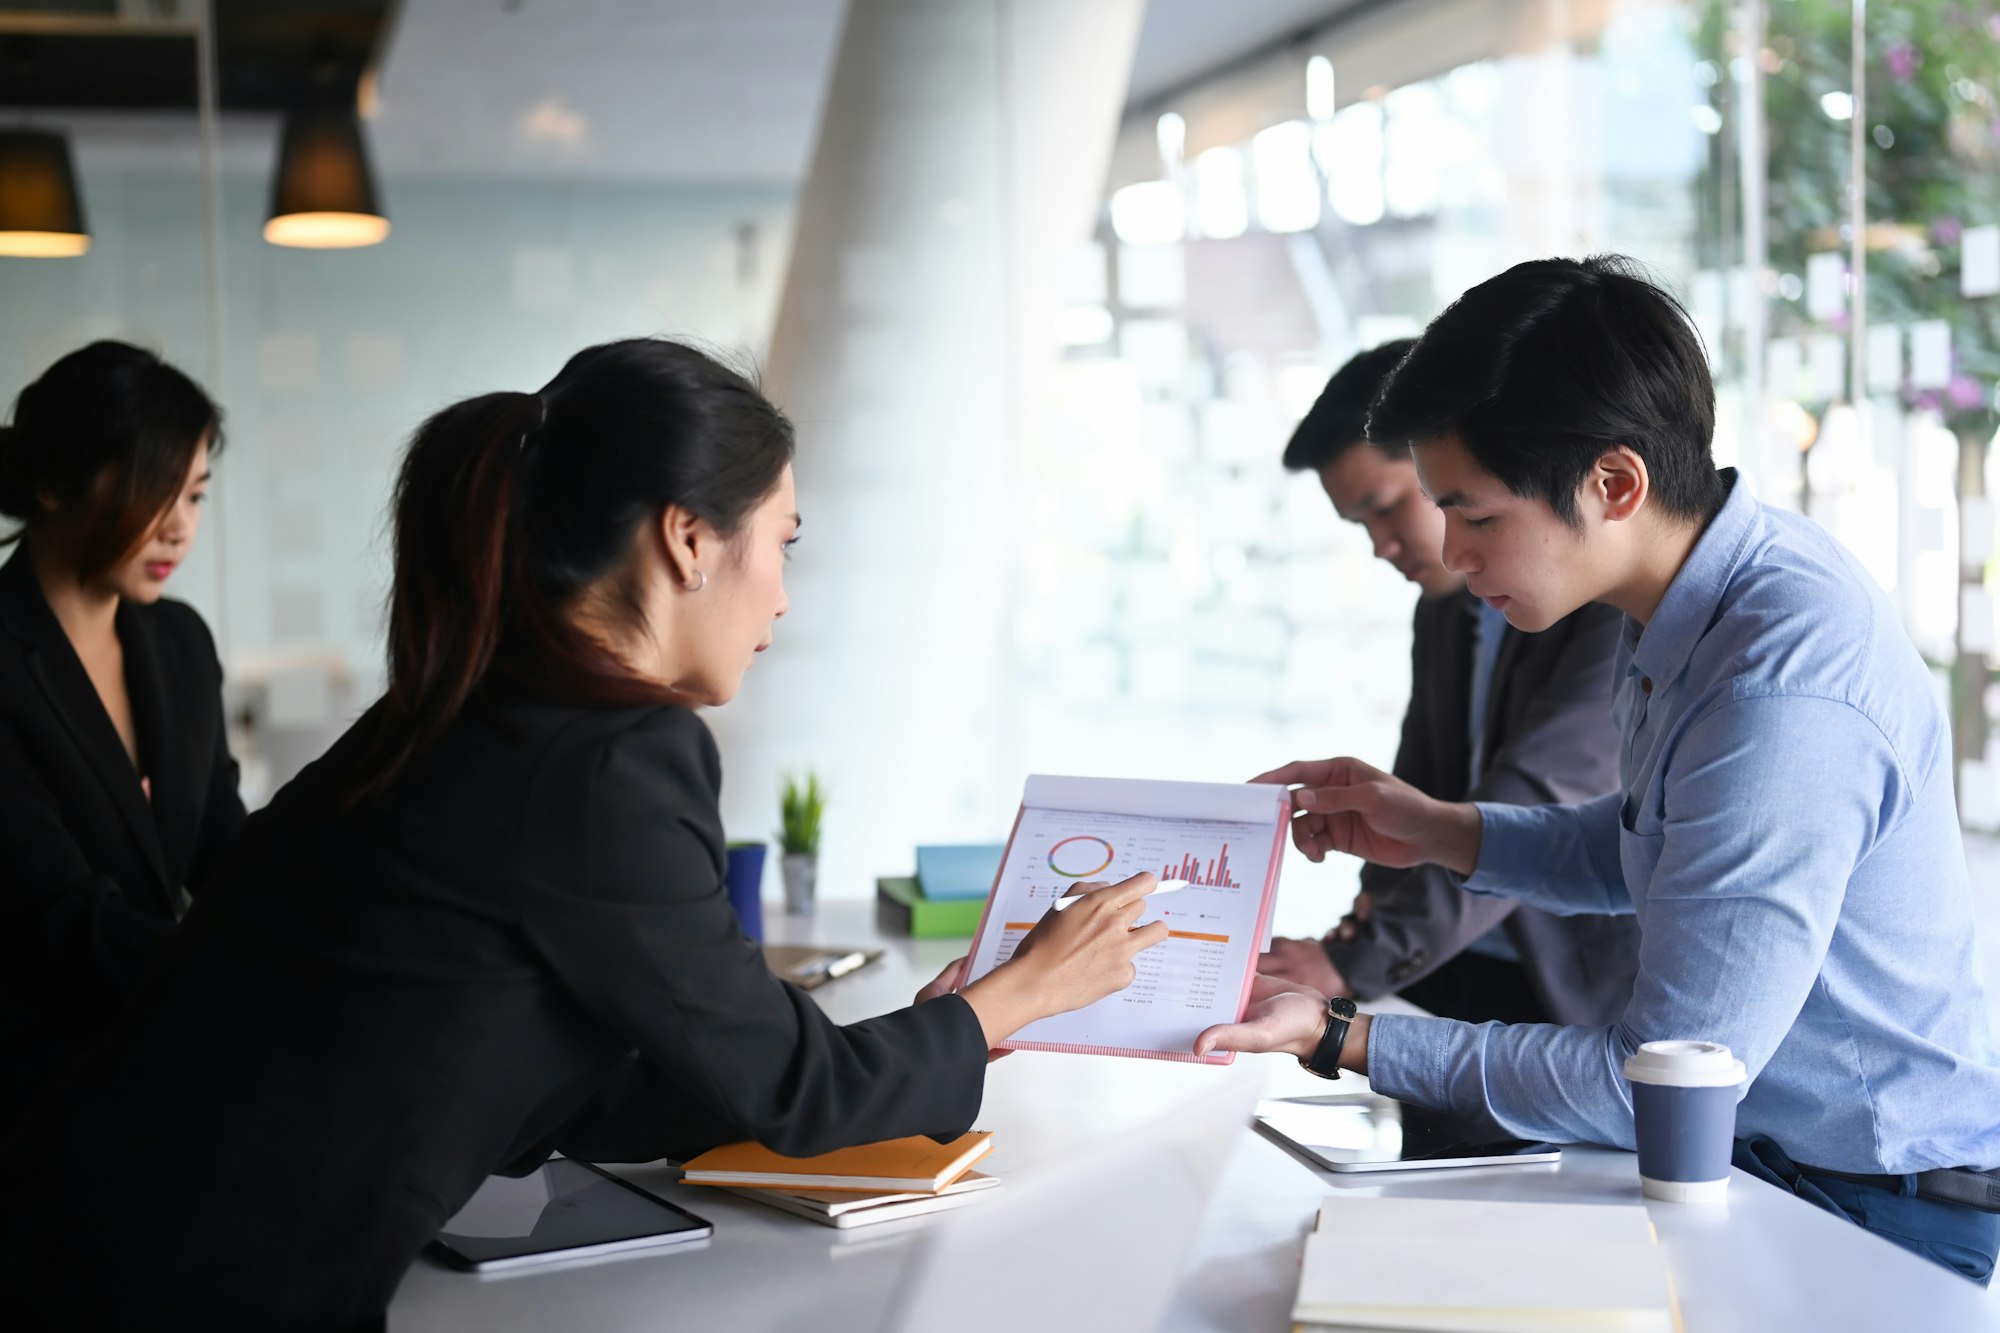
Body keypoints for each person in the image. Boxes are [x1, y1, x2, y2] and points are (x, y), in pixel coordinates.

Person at [0, 338, 1168, 1331]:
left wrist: (942, 1033)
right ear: (688, 542)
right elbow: (788, 1085)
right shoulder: (606, 756)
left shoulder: (475, 706)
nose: (782, 597)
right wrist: (1014, 997)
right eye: (784, 543)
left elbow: (589, 1083)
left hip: (112, 1236)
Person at [1199, 255, 2000, 1283]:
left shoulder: (1775, 686)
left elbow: (1654, 1082)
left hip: (1869, 1209)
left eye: (1476, 515)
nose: (1451, 550)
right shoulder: (1693, 601)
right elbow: (1647, 844)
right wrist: (1440, 828)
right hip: (1778, 1164)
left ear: (1612, 483)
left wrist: (1337, 1035)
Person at [1264, 340, 1638, 1025]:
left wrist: (1351, 963)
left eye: (1385, 506)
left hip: (1573, 999)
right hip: (1448, 973)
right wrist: (1353, 938)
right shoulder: (1443, 607)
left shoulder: (1610, 606)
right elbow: (1420, 789)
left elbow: (1528, 800)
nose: (1381, 544)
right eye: (1360, 523)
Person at [0, 341, 243, 1125]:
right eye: (154, 488)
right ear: (51, 482)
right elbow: (58, 920)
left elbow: (221, 846)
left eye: (196, 495)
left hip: (155, 1071)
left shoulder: (178, 642)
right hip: (30, 1094)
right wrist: (256, 971)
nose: (178, 527)